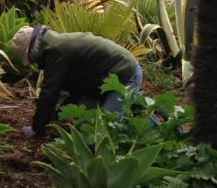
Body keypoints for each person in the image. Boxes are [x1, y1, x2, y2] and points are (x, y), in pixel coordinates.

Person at [10, 26, 143, 137]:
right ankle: (131, 110)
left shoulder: (56, 51)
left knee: (106, 126)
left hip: (125, 74)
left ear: (32, 51)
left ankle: (152, 126)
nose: (32, 62)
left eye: (30, 58)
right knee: (83, 125)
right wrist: (57, 115)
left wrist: (36, 128)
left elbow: (49, 92)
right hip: (101, 82)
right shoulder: (55, 45)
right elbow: (78, 87)